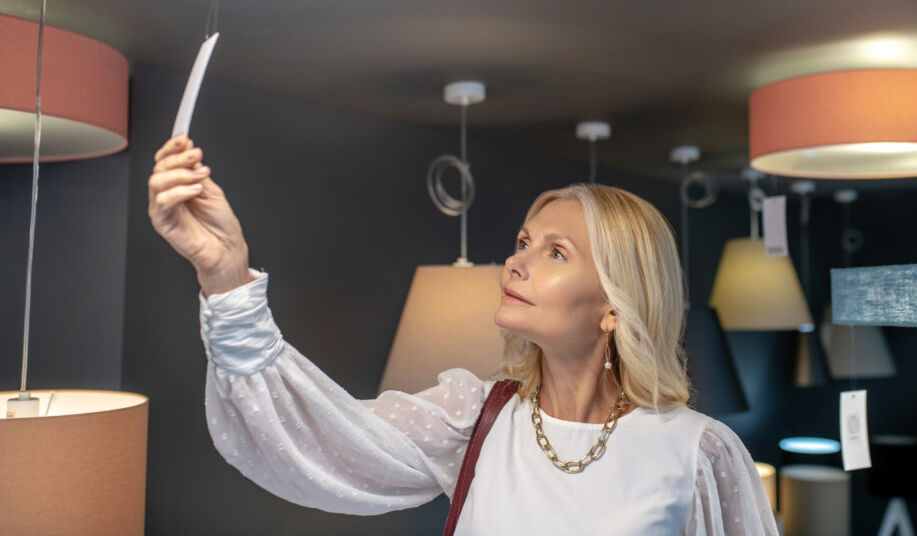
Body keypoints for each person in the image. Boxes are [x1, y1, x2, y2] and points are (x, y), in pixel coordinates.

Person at [149, 136, 778, 535]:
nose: (517, 262)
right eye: (524, 243)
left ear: (615, 307)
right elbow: (310, 436)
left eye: (556, 253)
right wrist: (225, 276)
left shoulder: (698, 454)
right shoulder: (473, 417)